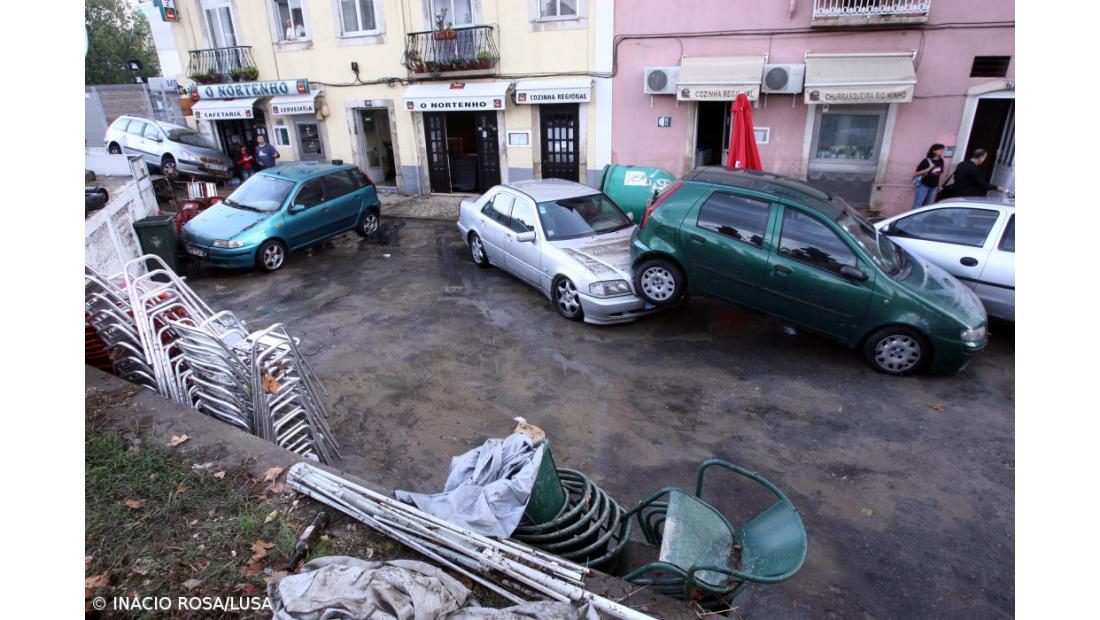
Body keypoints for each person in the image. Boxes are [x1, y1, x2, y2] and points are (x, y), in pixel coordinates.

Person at [912, 143, 945, 208]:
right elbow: (916, 173)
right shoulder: (926, 161)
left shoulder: (941, 161)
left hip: (934, 187)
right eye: (940, 149)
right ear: (934, 151)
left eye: (943, 149)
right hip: (924, 186)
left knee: (928, 207)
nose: (942, 151)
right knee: (917, 205)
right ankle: (914, 218)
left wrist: (939, 185)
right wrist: (929, 168)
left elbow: (939, 174)